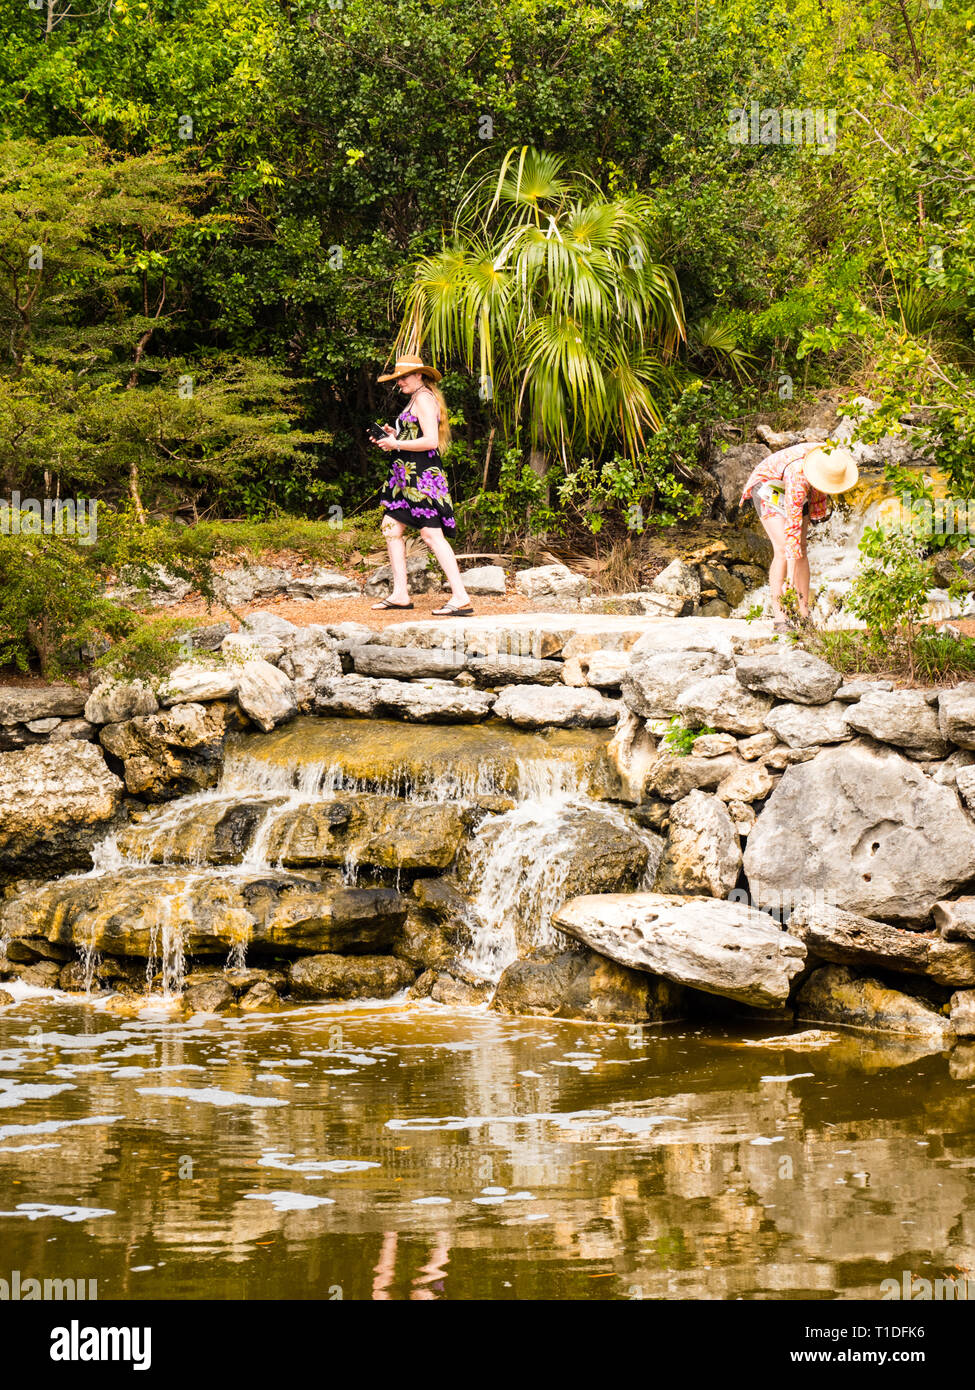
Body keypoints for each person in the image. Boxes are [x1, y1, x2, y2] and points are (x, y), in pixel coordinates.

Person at [371, 353, 473, 616]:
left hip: (422, 477)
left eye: (404, 377)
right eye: (398, 378)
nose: (400, 382)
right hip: (404, 476)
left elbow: (430, 441)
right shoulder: (416, 399)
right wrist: (395, 435)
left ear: (420, 375)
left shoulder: (425, 399)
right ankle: (400, 593)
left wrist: (397, 444)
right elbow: (414, 433)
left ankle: (460, 596)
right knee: (391, 527)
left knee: (431, 535)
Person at [740, 440, 858, 633]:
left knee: (802, 549)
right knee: (782, 548)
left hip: (792, 485)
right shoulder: (799, 477)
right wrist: (789, 580)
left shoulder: (830, 459)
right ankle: (781, 618)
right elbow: (792, 532)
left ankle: (804, 615)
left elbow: (798, 544)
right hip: (768, 486)